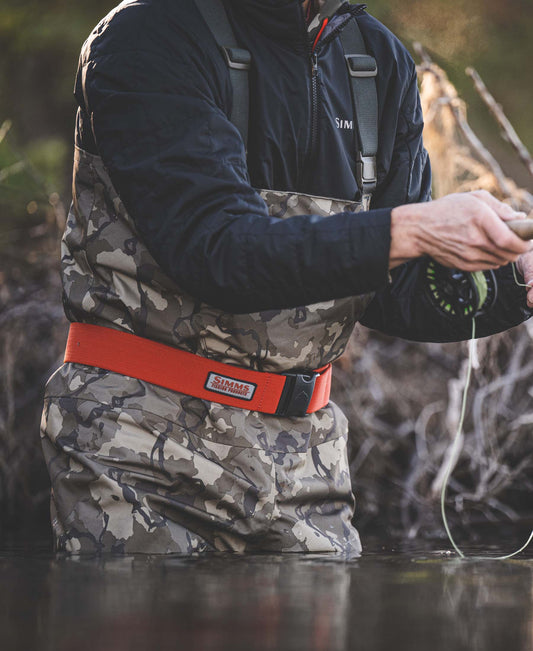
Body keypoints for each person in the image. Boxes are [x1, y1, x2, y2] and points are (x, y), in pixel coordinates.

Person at [41, 0, 533, 555]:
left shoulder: (378, 59)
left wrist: (516, 280)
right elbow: (216, 249)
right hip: (139, 451)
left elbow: (396, 291)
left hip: (308, 466)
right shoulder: (146, 35)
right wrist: (409, 229)